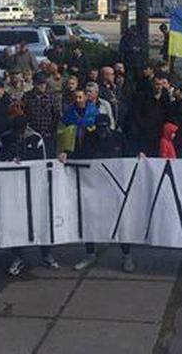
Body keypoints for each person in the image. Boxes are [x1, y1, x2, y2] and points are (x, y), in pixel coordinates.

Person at [68, 114, 135, 273]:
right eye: (99, 128)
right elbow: (80, 155)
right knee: (89, 221)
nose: (101, 132)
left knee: (121, 222)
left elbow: (129, 155)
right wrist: (66, 154)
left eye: (104, 128)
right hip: (94, 186)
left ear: (109, 127)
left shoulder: (119, 138)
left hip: (115, 187)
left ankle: (127, 256)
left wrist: (139, 155)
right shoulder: (89, 138)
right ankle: (90, 254)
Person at [0, 115, 61, 276]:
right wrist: (9, 161)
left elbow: (43, 161)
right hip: (12, 186)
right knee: (16, 221)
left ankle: (46, 253)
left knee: (39, 219)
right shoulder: (4, 139)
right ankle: (18, 256)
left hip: (33, 184)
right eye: (17, 132)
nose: (19, 135)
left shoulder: (35, 138)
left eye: (21, 131)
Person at [23, 72, 61, 157]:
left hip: (49, 134)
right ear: (34, 84)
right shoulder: (27, 97)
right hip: (32, 134)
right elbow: (24, 115)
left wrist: (52, 131)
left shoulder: (52, 97)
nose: (42, 86)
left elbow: (57, 116)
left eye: (44, 83)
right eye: (40, 84)